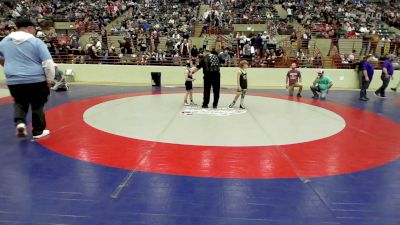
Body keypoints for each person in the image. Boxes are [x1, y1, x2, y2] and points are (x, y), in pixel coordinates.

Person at [0, 18, 55, 138]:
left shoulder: (4, 42)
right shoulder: (36, 42)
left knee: (19, 103)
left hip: (14, 80)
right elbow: (48, 63)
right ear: (30, 28)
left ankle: (20, 123)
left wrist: (7, 65)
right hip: (36, 80)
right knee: (37, 105)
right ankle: (38, 131)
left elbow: (1, 57)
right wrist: (50, 80)